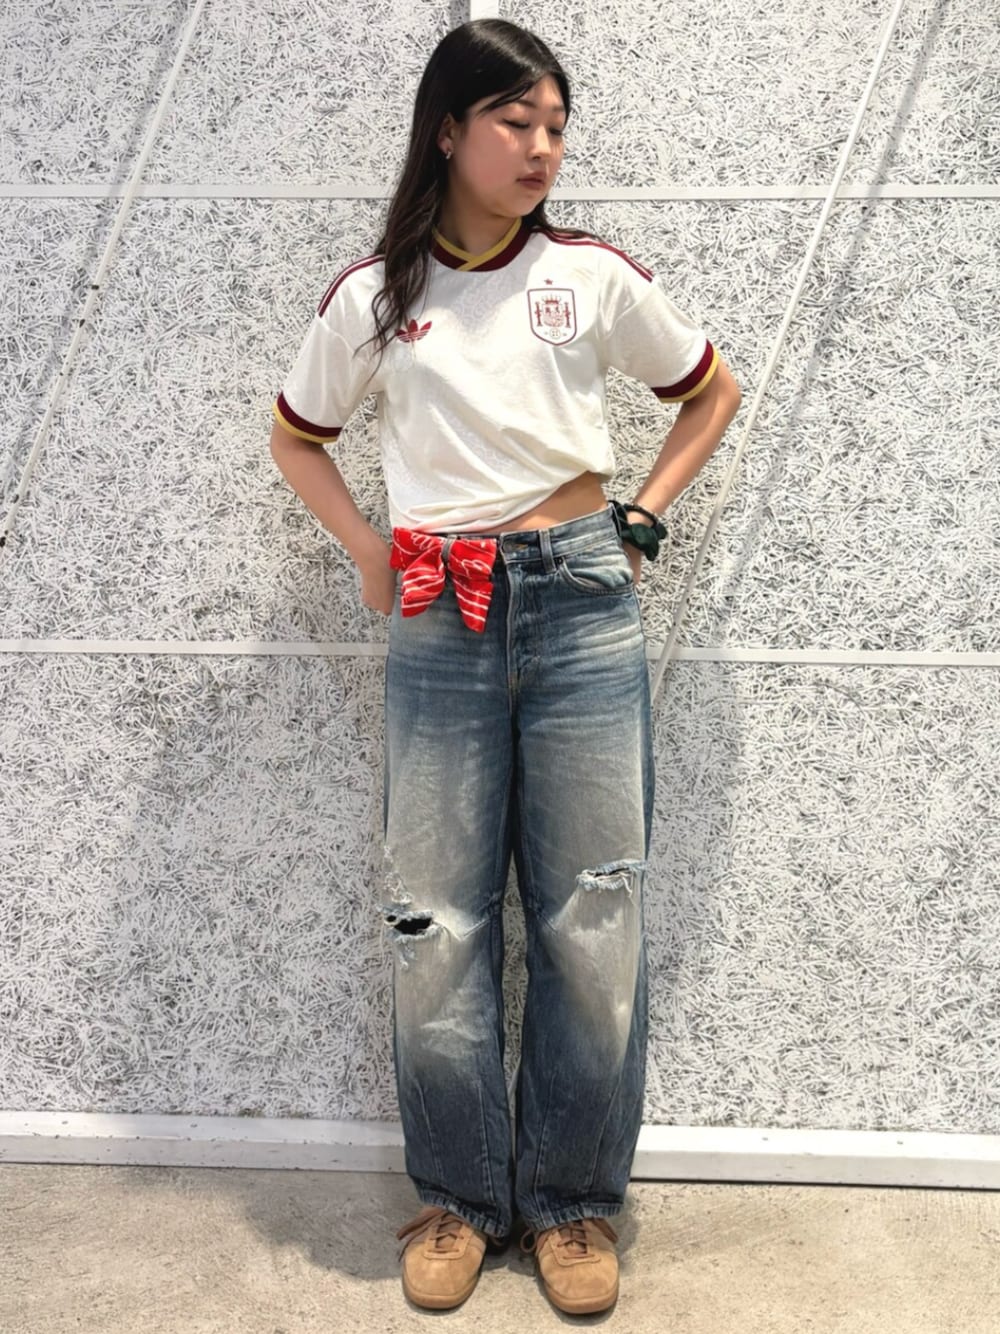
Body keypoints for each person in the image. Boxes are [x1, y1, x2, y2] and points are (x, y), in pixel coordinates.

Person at [270, 17, 741, 1316]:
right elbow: (298, 435)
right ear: (448, 129)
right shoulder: (377, 297)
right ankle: (460, 1198)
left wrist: (638, 521)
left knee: (593, 909)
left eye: (555, 126)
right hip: (440, 609)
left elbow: (709, 391)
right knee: (436, 917)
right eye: (515, 121)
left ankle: (574, 1201)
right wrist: (369, 548)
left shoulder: (589, 276)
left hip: (583, 602)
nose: (542, 147)